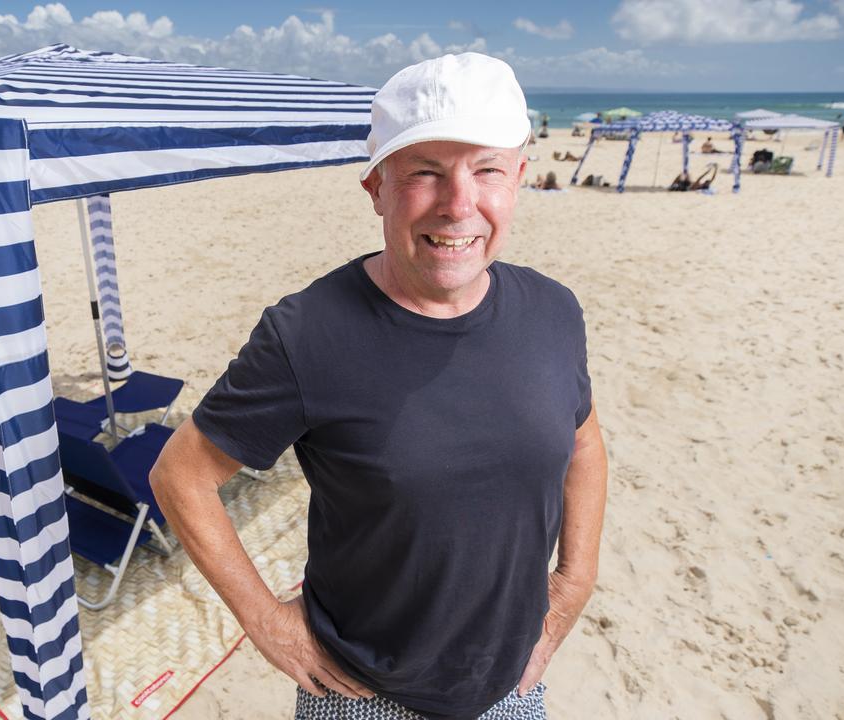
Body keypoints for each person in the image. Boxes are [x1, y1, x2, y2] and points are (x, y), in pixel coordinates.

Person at [151, 53, 607, 720]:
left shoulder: (553, 310)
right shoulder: (305, 334)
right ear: (376, 188)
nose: (459, 205)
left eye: (486, 171)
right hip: (365, 694)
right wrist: (266, 621)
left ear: (518, 180)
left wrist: (572, 586)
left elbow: (584, 447)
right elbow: (180, 476)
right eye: (425, 172)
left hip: (513, 686)